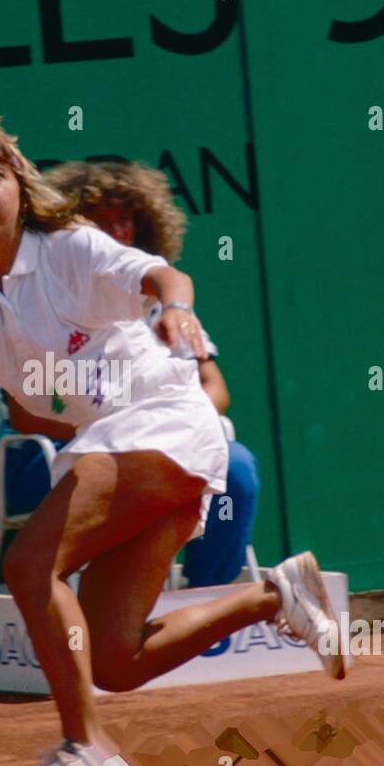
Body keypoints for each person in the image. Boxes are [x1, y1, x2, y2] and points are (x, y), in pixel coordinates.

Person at [0, 117, 345, 766]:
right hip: (116, 440)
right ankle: (274, 595)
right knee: (115, 658)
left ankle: (87, 752)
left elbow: (164, 274)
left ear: (21, 190)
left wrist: (174, 310)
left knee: (29, 565)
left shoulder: (70, 246)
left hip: (162, 421)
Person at [45, 159, 259, 587]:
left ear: (141, 226)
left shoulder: (159, 297)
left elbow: (215, 387)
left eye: (122, 220)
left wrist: (173, 417)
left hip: (164, 437)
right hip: (83, 446)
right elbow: (31, 411)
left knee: (236, 467)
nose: (113, 232)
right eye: (97, 223)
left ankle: (206, 600)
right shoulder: (54, 304)